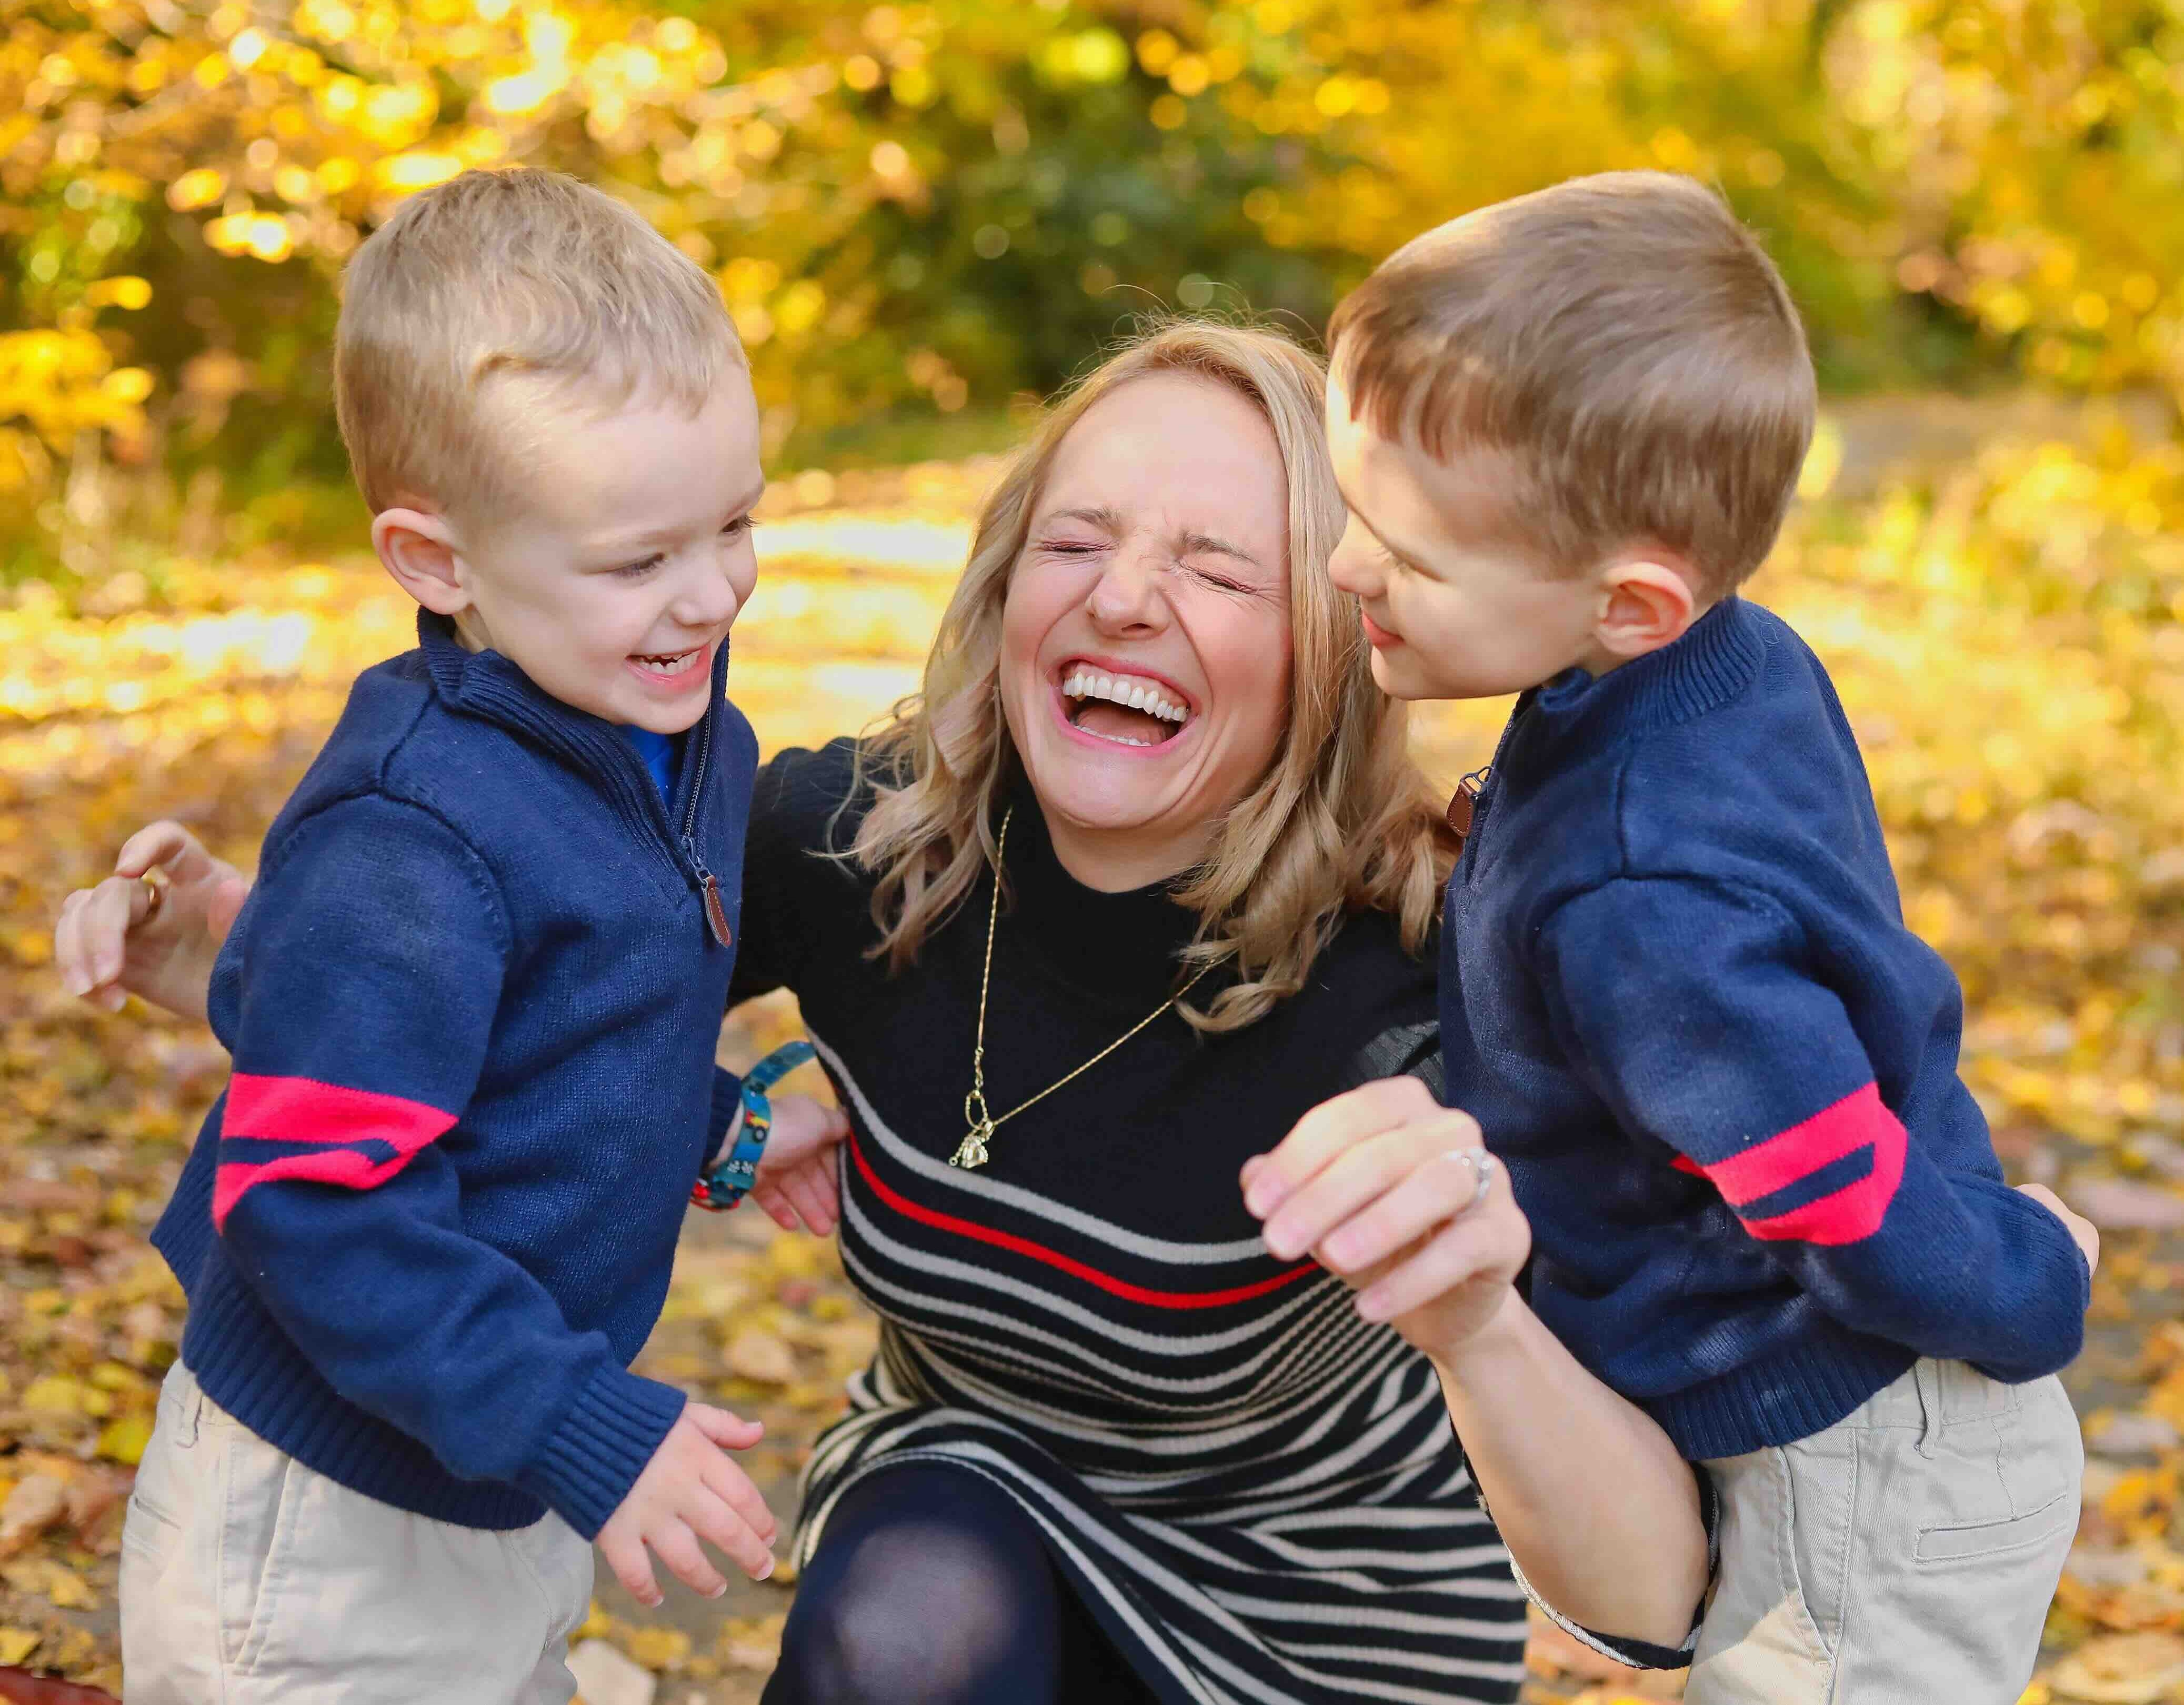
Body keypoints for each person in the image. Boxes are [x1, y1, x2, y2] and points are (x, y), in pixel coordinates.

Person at [63, 320, 1712, 1704]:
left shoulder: (1440, 984)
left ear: (1335, 643)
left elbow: (1649, 1596)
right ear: (1004, 597)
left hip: (1318, 1618)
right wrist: (257, 948)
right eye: (1076, 542)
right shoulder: (847, 848)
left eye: (1218, 567)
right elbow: (476, 1012)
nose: (1125, 598)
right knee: (912, 1616)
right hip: (963, 1521)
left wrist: (1484, 1316)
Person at [1289, 168, 2098, 1702]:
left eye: (1411, 555)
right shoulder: (1707, 671)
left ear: (1634, 603)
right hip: (1823, 1405)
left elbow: (1827, 1177)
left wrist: (2027, 1282)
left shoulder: (1644, 902)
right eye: (1353, 512)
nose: (1348, 569)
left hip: (1867, 1452)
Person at [71, 167, 799, 1703]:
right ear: (436, 561)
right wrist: (580, 1424)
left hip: (490, 1453)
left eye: (734, 522)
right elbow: (313, 1199)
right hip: (325, 1524)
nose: (711, 593)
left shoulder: (667, 738)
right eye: (637, 560)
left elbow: (538, 1050)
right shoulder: (415, 833)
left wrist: (728, 1131)